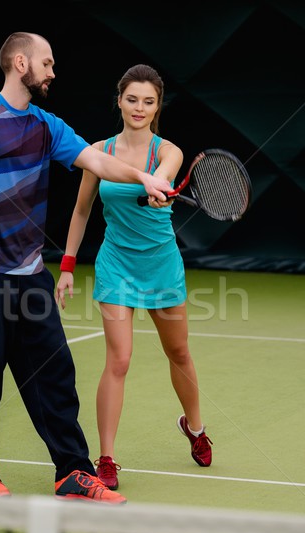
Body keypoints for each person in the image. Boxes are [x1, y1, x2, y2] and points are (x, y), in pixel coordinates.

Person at [0, 34, 174, 503]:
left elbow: (99, 161)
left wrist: (145, 176)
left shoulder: (48, 126)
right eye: (47, 63)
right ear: (21, 62)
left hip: (30, 273)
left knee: (54, 373)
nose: (52, 72)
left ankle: (72, 472)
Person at [56, 64, 213, 491]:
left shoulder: (169, 151)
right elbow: (82, 210)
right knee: (119, 358)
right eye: (132, 99)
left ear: (157, 106)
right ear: (119, 101)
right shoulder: (98, 151)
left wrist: (158, 186)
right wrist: (68, 266)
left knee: (178, 353)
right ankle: (105, 458)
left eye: (148, 101)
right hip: (116, 265)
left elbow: (162, 174)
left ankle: (195, 428)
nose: (139, 108)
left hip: (161, 264)